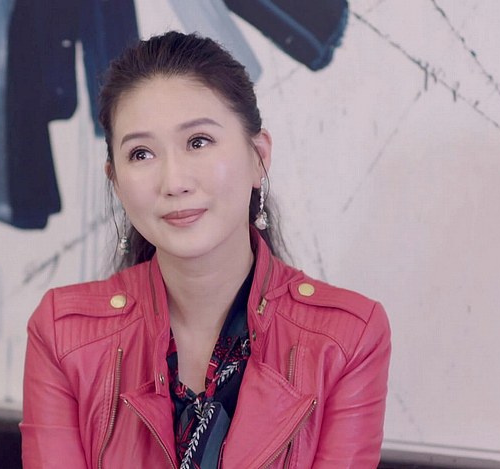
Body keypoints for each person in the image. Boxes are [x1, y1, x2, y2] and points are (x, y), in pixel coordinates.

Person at [20, 31, 391, 468]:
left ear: (258, 156)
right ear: (116, 181)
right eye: (141, 154)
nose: (174, 182)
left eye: (198, 142)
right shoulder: (63, 334)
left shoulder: (347, 339)